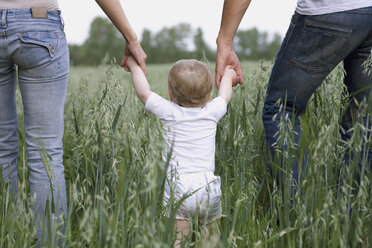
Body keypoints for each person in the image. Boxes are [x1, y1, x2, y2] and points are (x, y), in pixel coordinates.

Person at [215, 0, 372, 189]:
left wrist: (225, 41)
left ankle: (297, 214)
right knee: (361, 116)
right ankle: (350, 213)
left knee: (282, 108)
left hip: (329, 11)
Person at [126, 56, 236, 247]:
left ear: (170, 94)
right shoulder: (212, 112)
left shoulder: (169, 112)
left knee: (179, 240)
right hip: (208, 187)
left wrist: (133, 65)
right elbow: (225, 95)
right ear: (209, 95)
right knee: (211, 240)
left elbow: (144, 93)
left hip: (178, 187)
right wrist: (228, 74)